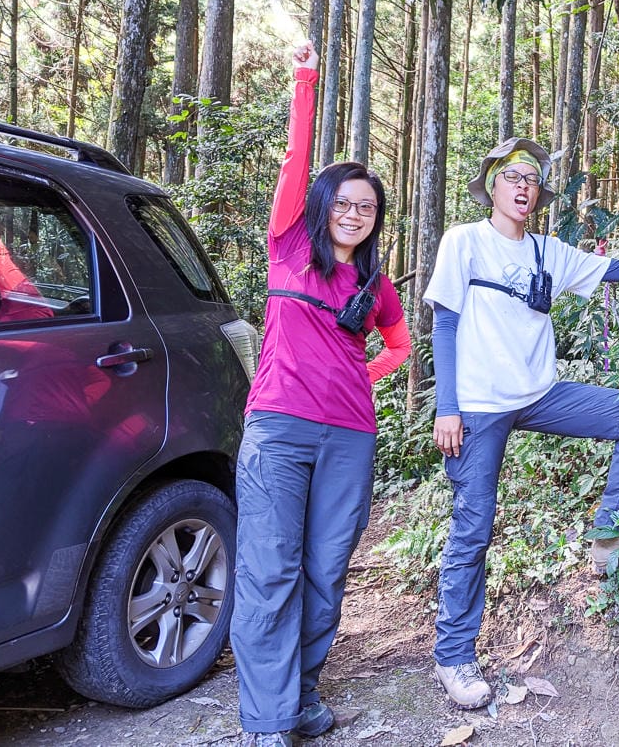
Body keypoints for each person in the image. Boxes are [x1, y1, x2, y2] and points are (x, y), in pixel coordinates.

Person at [424, 137, 619, 709]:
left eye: (532, 180)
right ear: (492, 184)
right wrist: (448, 405)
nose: (523, 188)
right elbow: (444, 325)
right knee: (474, 527)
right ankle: (455, 656)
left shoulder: (547, 250)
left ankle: (613, 536)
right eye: (512, 177)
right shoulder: (464, 242)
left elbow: (615, 270)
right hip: (478, 405)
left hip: (540, 393)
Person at [231, 42, 411, 747]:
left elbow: (400, 348)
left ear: (376, 217)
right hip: (277, 430)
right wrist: (306, 80)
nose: (354, 213)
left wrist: (354, 380)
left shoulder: (376, 286)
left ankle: (301, 695)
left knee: (326, 572)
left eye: (366, 206)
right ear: (322, 205)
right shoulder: (287, 246)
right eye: (343, 201)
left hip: (350, 438)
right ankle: (267, 723)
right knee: (270, 569)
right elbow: (295, 161)